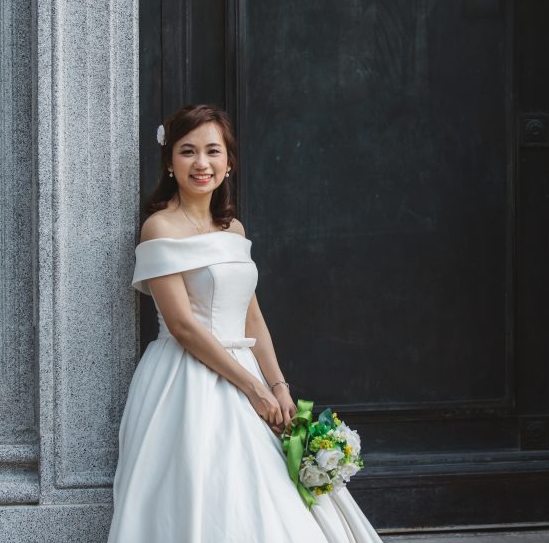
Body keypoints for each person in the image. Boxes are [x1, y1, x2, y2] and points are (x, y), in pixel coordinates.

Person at [108, 105, 382, 542]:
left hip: (246, 370)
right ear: (169, 161)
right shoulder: (159, 229)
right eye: (188, 151)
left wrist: (278, 386)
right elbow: (183, 326)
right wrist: (252, 389)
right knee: (204, 491)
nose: (202, 163)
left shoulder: (233, 229)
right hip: (186, 378)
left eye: (213, 151)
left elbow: (252, 315)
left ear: (229, 162)